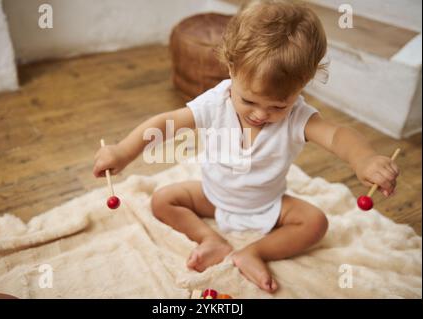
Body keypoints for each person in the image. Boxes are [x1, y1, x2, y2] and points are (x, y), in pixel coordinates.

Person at [93, 0, 400, 293]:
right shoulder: (216, 102)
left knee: (316, 223)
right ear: (231, 69)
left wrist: (365, 160)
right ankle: (210, 240)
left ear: (302, 85)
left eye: (278, 105)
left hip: (269, 206)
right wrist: (123, 151)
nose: (260, 115)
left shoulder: (298, 118)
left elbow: (338, 136)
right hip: (213, 196)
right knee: (162, 200)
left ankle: (254, 252)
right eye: (249, 101)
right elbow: (164, 124)